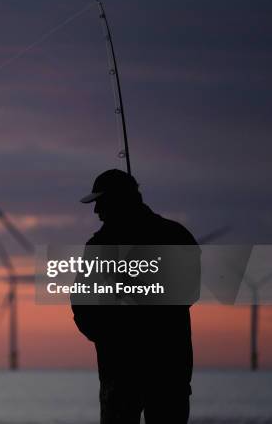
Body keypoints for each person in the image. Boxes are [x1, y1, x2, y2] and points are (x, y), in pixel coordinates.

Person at [70, 169, 200, 424]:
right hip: (169, 369)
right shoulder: (176, 235)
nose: (96, 212)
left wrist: (105, 333)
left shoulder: (100, 245)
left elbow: (82, 302)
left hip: (126, 372)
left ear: (118, 200)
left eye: (100, 203)